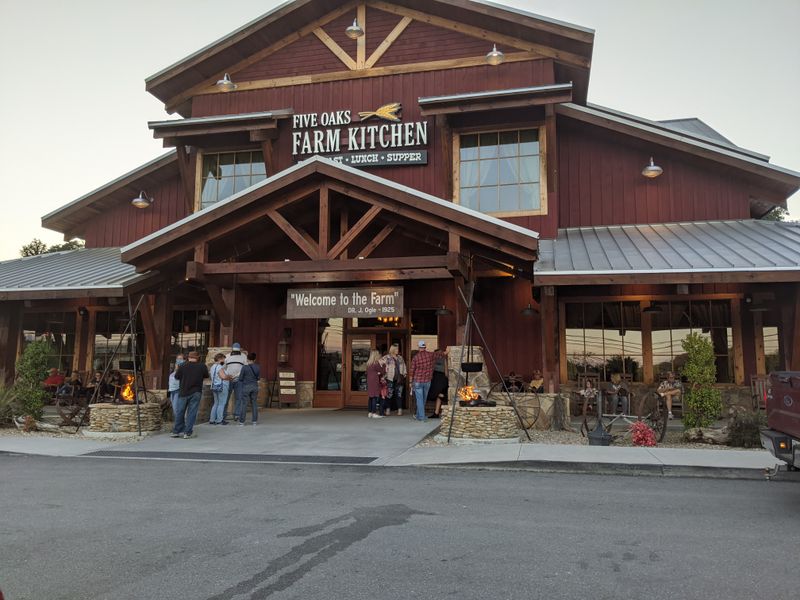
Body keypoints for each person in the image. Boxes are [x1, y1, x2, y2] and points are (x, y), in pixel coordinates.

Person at [172, 351, 209, 439]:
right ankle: (187, 433)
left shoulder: (182, 366)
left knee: (180, 412)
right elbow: (206, 375)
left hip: (183, 391)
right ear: (198, 357)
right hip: (196, 391)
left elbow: (176, 377)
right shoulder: (202, 366)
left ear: (188, 357)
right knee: (191, 412)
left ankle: (176, 431)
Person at [410, 340, 442, 421]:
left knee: (420, 399)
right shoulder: (430, 355)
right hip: (427, 381)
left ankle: (421, 416)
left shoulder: (415, 357)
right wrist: (447, 351)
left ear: (419, 347)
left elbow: (412, 371)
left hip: (417, 381)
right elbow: (440, 355)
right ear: (425, 347)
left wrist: (410, 382)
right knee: (423, 399)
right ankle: (419, 415)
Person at [221, 343, 247, 423]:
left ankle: (237, 414)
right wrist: (227, 376)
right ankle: (223, 415)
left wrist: (236, 375)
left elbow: (245, 368)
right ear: (232, 349)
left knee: (239, 398)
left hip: (239, 380)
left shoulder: (243, 356)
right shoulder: (227, 356)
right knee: (226, 397)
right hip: (228, 379)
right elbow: (223, 367)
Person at [382, 344, 407, 416]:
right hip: (390, 379)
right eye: (396, 349)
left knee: (399, 395)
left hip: (399, 379)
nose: (398, 350)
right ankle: (388, 409)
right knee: (389, 395)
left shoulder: (400, 358)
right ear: (392, 350)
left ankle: (399, 410)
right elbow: (381, 366)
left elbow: (404, 366)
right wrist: (384, 375)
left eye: (398, 349)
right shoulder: (386, 357)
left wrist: (404, 374)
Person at [238, 352, 261, 425]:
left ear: (247, 359)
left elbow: (240, 378)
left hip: (246, 387)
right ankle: (254, 421)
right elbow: (258, 378)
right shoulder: (258, 367)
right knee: (254, 403)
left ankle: (242, 421)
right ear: (255, 359)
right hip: (254, 386)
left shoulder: (244, 367)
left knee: (244, 403)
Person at [427, 348, 449, 418]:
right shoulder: (443, 359)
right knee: (439, 395)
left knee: (434, 393)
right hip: (441, 377)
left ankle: (446, 397)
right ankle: (436, 413)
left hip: (438, 377)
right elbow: (446, 371)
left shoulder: (436, 359)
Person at [208, 353, 229, 425]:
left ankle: (212, 419)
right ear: (220, 359)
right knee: (221, 403)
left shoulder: (212, 367)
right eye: (223, 359)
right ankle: (219, 420)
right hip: (222, 386)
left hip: (214, 386)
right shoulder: (219, 367)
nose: (224, 360)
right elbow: (223, 377)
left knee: (216, 403)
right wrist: (230, 377)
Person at [365, 349, 386, 418]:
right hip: (375, 381)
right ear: (376, 355)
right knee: (374, 397)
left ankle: (370, 412)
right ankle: (374, 413)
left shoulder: (368, 363)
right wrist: (384, 364)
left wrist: (377, 373)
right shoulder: (376, 364)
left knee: (370, 397)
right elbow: (383, 372)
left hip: (369, 381)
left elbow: (367, 373)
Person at [168, 354, 184, 419]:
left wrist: (177, 368)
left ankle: (178, 422)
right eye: (178, 358)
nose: (179, 360)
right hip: (172, 390)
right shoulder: (174, 368)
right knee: (174, 407)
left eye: (181, 358)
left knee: (176, 407)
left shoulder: (183, 368)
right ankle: (178, 422)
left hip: (178, 389)